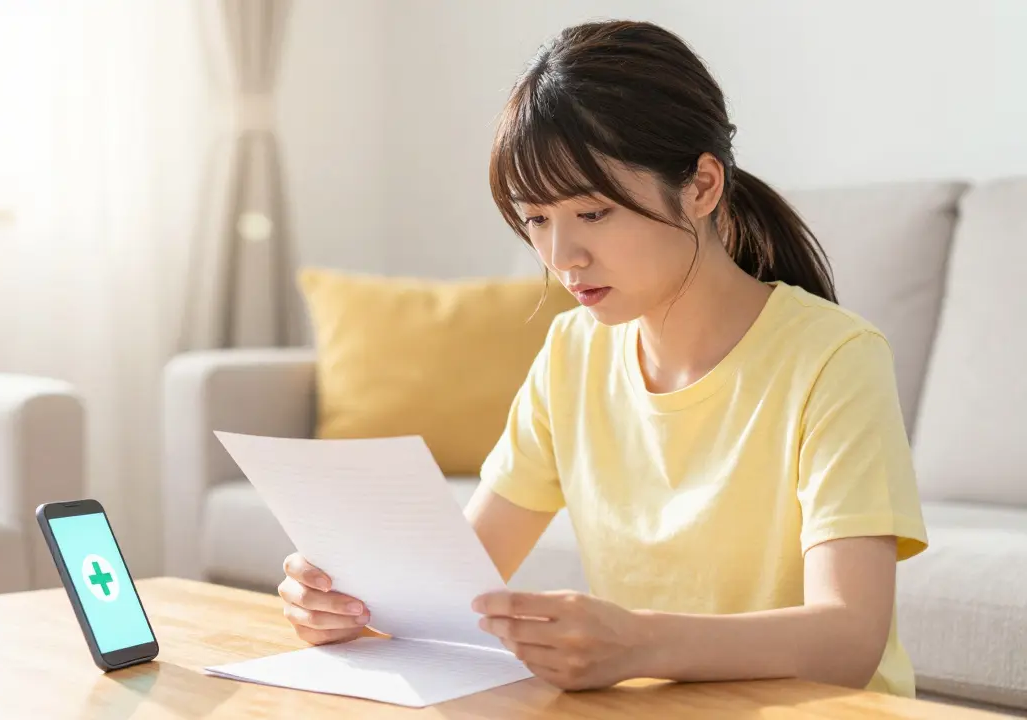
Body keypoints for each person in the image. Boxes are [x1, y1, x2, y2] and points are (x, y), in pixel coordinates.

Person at [277, 19, 927, 697]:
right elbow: (456, 587)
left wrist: (639, 642)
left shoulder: (834, 358)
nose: (562, 258)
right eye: (536, 219)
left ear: (702, 186)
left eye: (592, 213)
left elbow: (850, 640)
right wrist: (348, 603)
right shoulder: (572, 354)